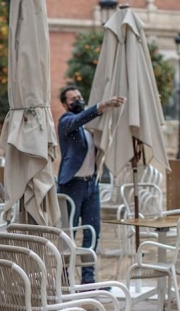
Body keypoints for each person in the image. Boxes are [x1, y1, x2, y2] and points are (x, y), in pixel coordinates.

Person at [57, 85, 125, 284]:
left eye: (79, 96)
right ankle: (64, 278)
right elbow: (78, 119)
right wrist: (101, 105)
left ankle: (88, 280)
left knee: (92, 232)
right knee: (69, 233)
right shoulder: (65, 121)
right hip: (71, 186)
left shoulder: (91, 126)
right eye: (72, 99)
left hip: (91, 185)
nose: (77, 100)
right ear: (64, 104)